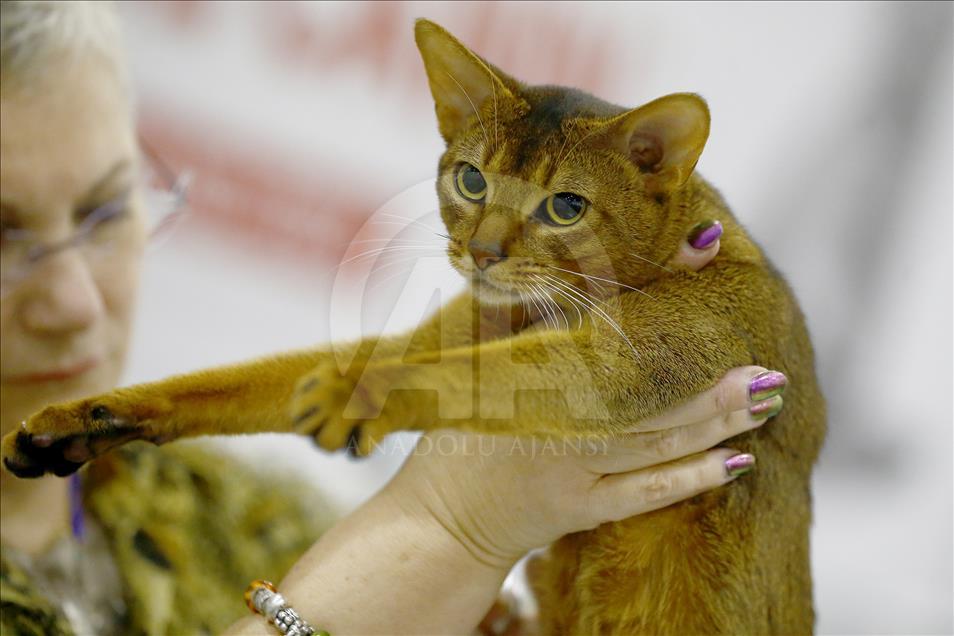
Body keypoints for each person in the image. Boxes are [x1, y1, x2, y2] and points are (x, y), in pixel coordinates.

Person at [0, 3, 777, 635]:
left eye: (106, 211)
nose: (73, 301)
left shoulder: (252, 521)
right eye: (4, 237)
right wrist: (453, 519)